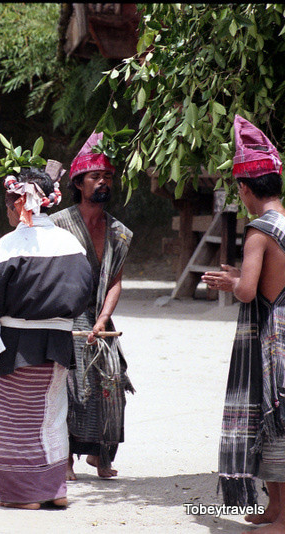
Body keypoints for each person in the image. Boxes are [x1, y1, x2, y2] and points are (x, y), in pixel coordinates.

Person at [0, 165, 92, 509]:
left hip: (16, 347)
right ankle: (55, 490)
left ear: (17, 203)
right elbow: (84, 290)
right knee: (50, 415)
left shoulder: (8, 245)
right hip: (57, 345)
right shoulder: (71, 244)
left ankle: (25, 494)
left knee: (15, 419)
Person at [202, 115, 285, 532]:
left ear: (246, 189)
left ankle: (282, 516)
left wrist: (231, 280)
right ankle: (273, 509)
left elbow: (249, 291)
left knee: (271, 422)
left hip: (271, 339)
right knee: (276, 419)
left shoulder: (259, 230)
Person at [50, 131, 134, 480]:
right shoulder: (57, 225)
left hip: (101, 319)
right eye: (95, 176)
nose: (103, 182)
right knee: (70, 387)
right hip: (65, 317)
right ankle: (66, 459)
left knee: (110, 385)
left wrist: (102, 319)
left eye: (108, 177)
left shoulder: (120, 232)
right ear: (79, 183)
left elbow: (114, 280)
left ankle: (102, 456)